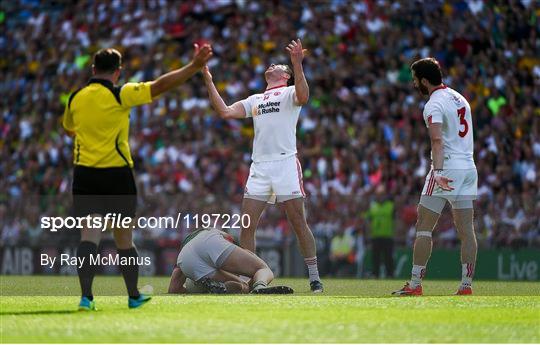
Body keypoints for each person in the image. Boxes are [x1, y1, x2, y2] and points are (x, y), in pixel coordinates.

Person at [63, 44, 213, 310]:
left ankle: (86, 298)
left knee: (89, 237)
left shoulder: (75, 97)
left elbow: (69, 130)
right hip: (117, 175)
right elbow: (159, 86)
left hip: (85, 175)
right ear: (118, 72)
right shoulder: (121, 94)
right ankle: (133, 296)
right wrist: (193, 67)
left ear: (93, 69)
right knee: (124, 239)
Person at [202, 39, 323, 293]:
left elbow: (303, 96)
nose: (270, 65)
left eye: (277, 65)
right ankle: (250, 279)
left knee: (298, 222)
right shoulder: (256, 98)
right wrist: (208, 80)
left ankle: (314, 277)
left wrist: (297, 64)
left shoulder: (291, 92)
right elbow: (225, 111)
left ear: (286, 75)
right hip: (260, 167)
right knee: (247, 224)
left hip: (285, 162)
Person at [393, 57, 478, 296]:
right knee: (466, 230)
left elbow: (437, 140)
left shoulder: (433, 104)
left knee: (424, 227)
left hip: (447, 168)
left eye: (414, 80)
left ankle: (415, 284)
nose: (414, 84)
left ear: (424, 80)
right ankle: (466, 285)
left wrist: (438, 172)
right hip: (468, 168)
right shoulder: (460, 98)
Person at [167, 228, 293, 294]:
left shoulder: (184, 248)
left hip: (186, 259)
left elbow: (173, 288)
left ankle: (219, 288)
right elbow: (247, 256)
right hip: (208, 239)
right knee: (262, 268)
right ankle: (260, 285)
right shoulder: (225, 237)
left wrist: (196, 292)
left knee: (241, 287)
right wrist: (253, 282)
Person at [365, 185, 395, 278]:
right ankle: (375, 275)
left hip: (387, 235)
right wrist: (368, 233)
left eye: (382, 194)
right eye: (378, 194)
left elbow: (396, 220)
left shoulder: (391, 205)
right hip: (375, 236)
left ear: (385, 195)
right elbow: (368, 220)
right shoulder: (372, 206)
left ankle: (390, 275)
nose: (380, 196)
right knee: (375, 257)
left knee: (388, 258)